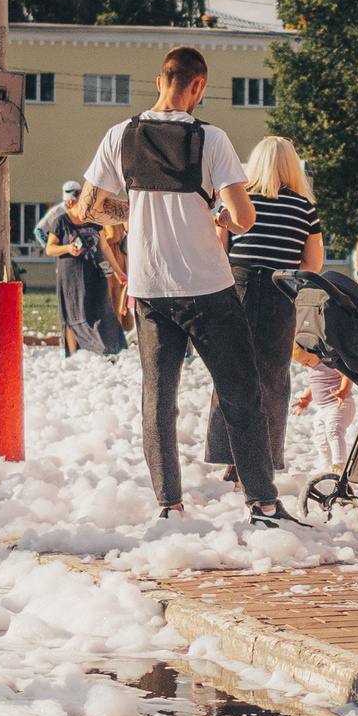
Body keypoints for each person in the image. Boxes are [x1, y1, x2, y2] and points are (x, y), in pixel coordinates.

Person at [76, 44, 296, 525]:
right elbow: (243, 217)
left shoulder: (121, 135)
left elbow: (86, 208)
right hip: (207, 287)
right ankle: (262, 502)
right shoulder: (211, 139)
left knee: (158, 397)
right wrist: (214, 212)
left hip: (151, 290)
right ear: (198, 86)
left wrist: (133, 211)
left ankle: (170, 505)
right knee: (241, 394)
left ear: (160, 81)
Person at [203, 134, 325, 479]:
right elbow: (312, 264)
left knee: (232, 372)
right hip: (279, 293)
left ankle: (231, 457)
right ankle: (262, 460)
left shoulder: (241, 204)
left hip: (236, 288)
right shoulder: (304, 208)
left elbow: (218, 251)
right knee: (272, 377)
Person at [43, 179, 124, 357]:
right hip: (71, 275)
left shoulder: (94, 221)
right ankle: (73, 355)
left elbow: (104, 248)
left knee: (102, 309)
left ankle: (104, 350)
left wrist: (118, 272)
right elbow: (50, 248)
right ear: (75, 202)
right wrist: (68, 248)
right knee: (73, 313)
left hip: (95, 272)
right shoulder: (61, 222)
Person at [292, 342, 356, 472]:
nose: (305, 365)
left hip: (340, 404)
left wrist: (343, 392)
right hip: (322, 409)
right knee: (321, 440)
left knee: (334, 431)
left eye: (307, 360)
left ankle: (340, 463)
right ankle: (326, 469)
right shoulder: (312, 366)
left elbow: (347, 375)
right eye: (302, 363)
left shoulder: (329, 362)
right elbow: (314, 383)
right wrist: (306, 399)